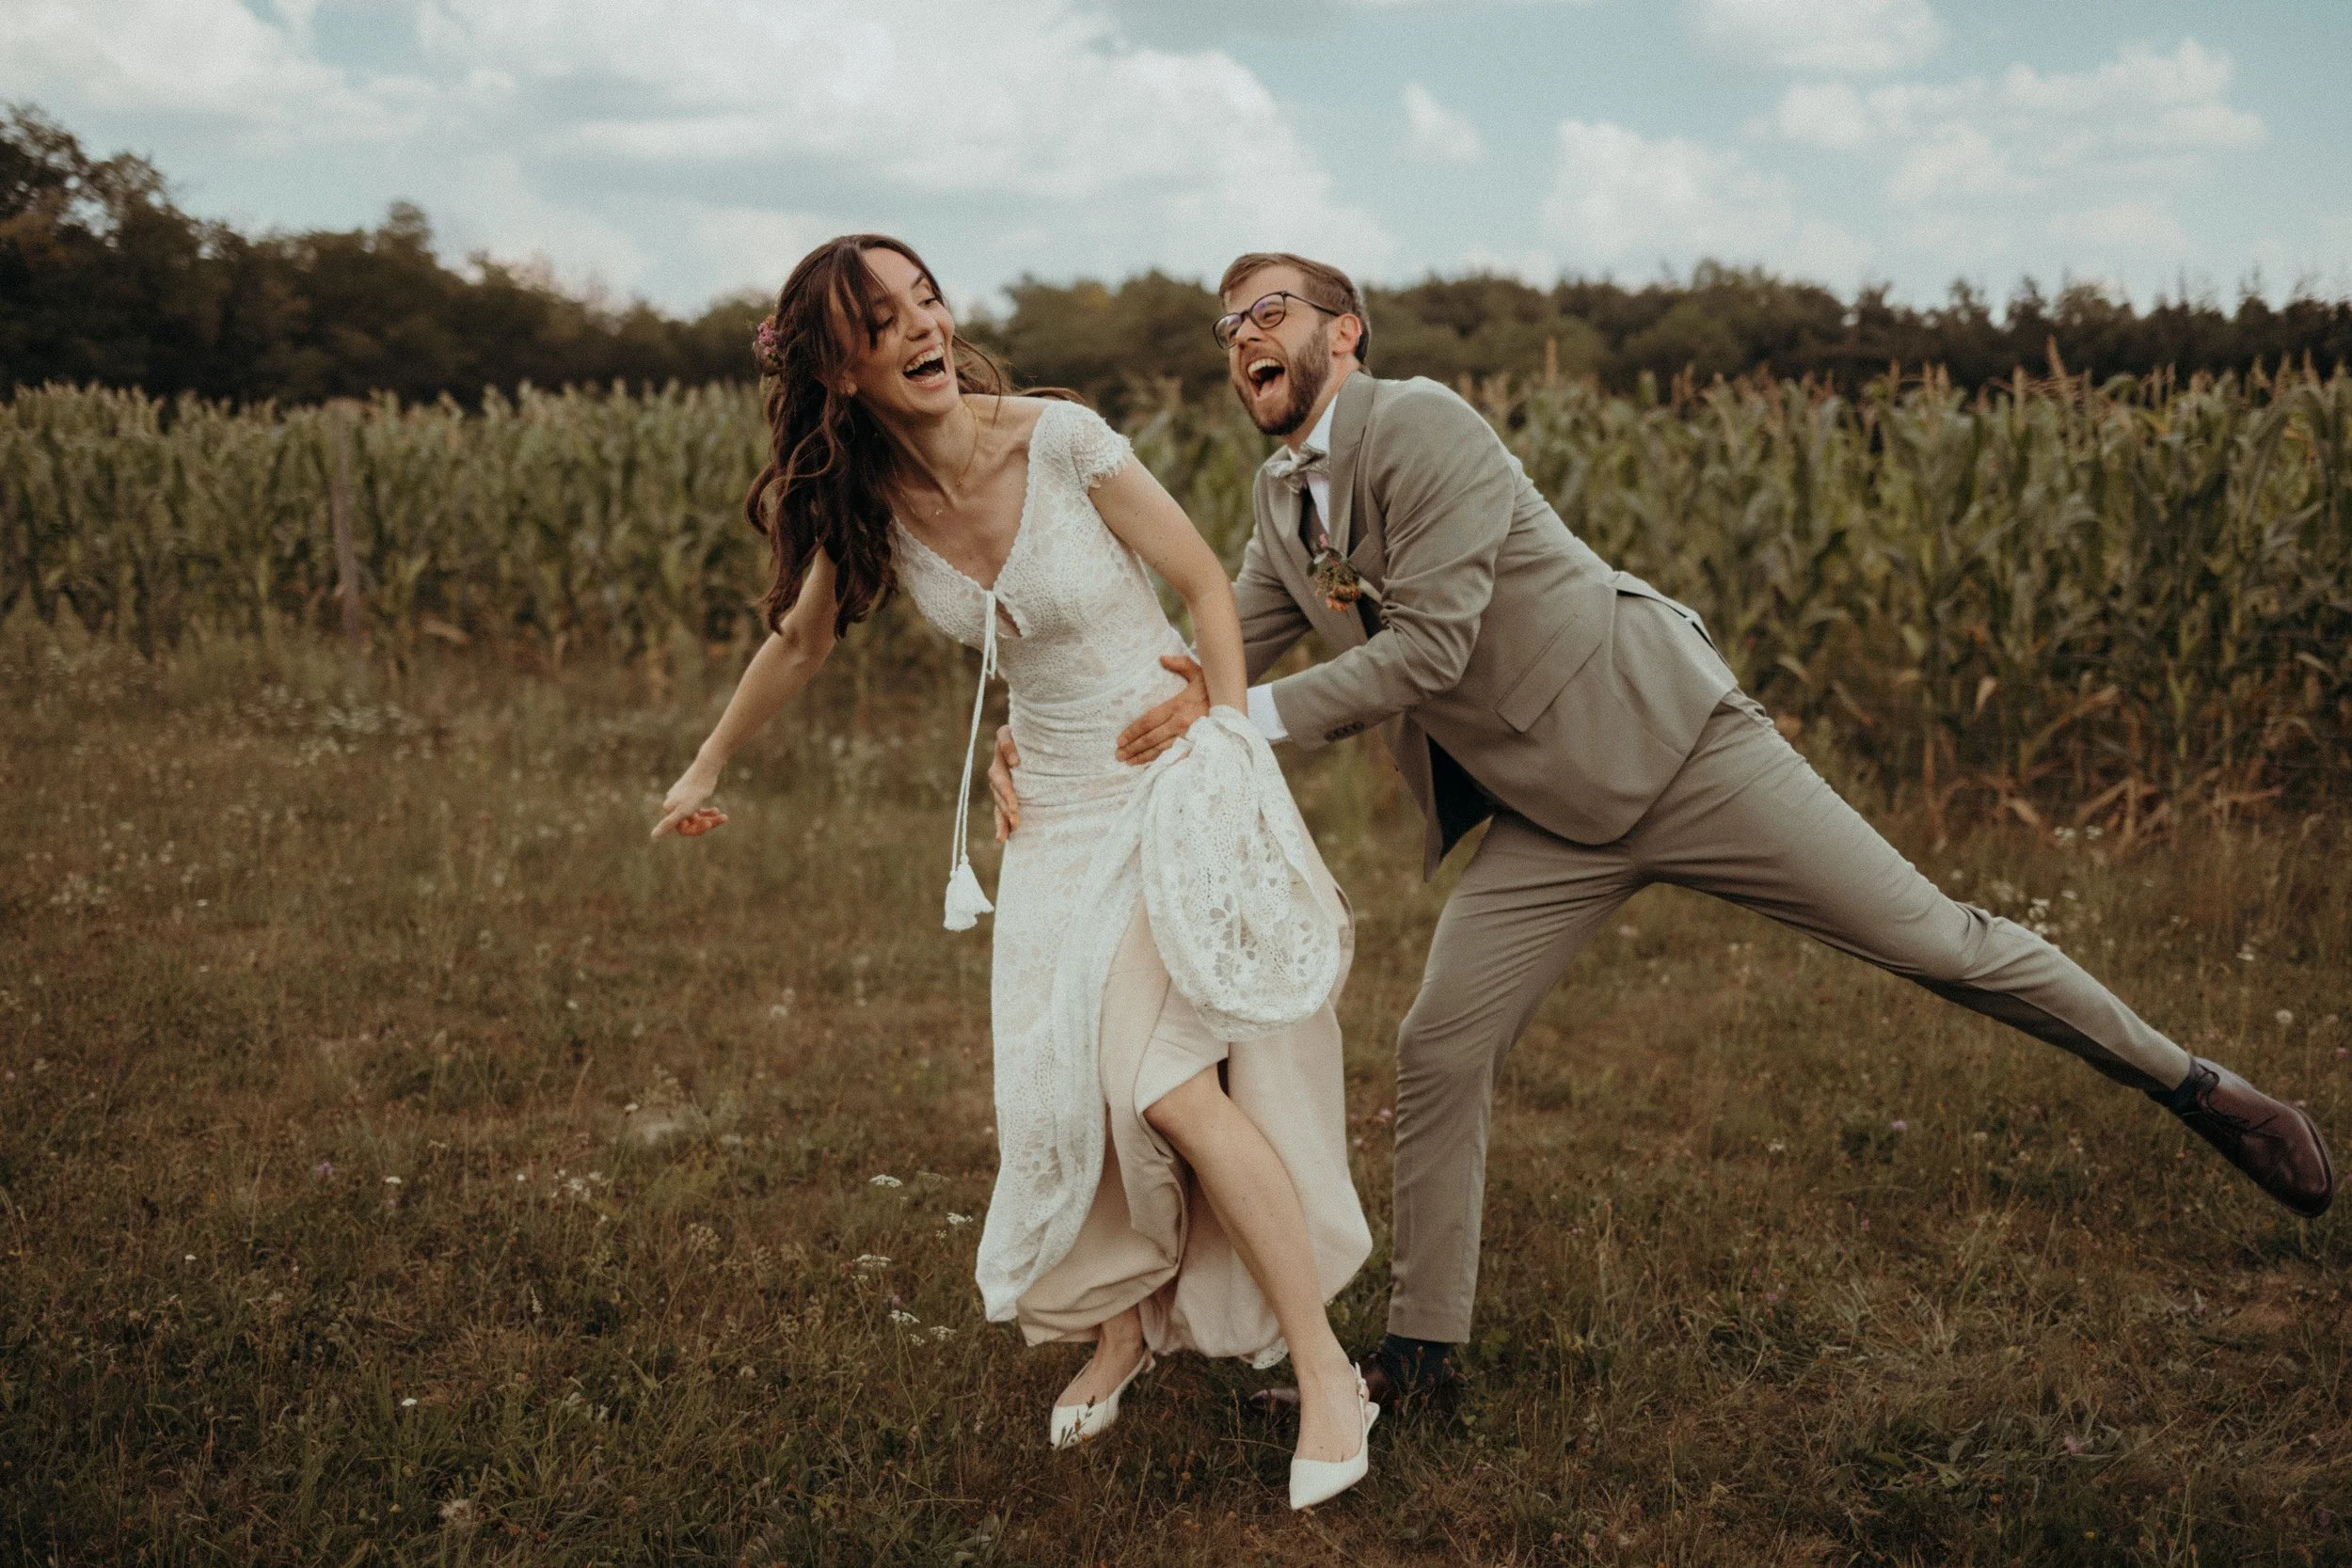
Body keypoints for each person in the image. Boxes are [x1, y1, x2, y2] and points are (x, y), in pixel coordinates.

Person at [991, 248, 2335, 1415]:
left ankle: (2196, 1086)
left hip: (1678, 749)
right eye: (1225, 327)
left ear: (1345, 332)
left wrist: (1242, 726)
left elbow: (1438, 647)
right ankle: (1422, 1351)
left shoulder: (1425, 424)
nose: (1244, 340)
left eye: (1269, 309)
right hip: (1548, 818)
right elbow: (1191, 661)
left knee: (1943, 941)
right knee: (1440, 1043)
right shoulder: (1285, 511)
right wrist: (1049, 731)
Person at [653, 236, 1378, 1510]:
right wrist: (705, 764)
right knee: (1069, 1100)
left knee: (1162, 1085)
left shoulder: (1058, 437)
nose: (925, 326)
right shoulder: (868, 495)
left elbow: (1203, 578)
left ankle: (1328, 1372)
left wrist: (1216, 707)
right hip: (1050, 814)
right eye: (885, 318)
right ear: (837, 363)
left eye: (927, 297)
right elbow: (799, 641)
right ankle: (1122, 1322)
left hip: (1168, 778)